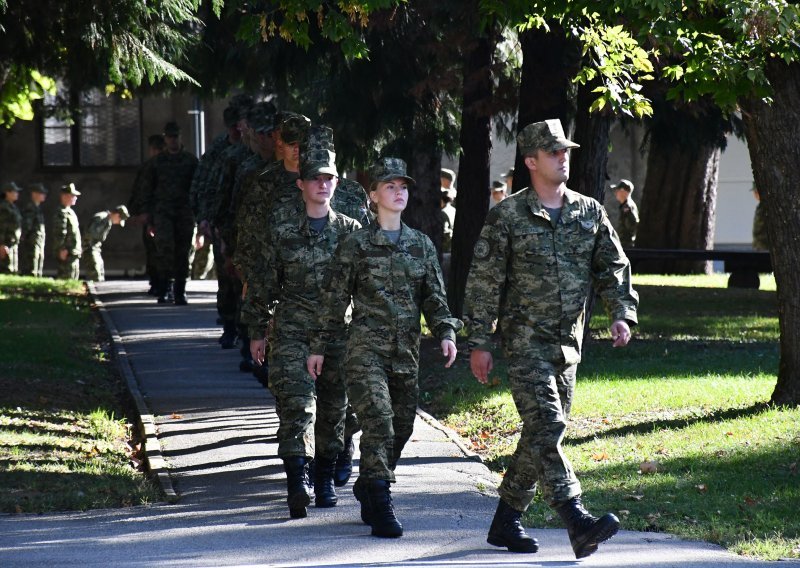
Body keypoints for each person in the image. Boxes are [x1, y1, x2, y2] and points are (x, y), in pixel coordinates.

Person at [464, 119, 639, 559]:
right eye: (553, 152)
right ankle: (576, 519)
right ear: (530, 161)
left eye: (566, 151)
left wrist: (621, 313)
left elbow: (612, 266)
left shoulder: (588, 211)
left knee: (537, 436)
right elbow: (484, 282)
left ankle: (505, 521)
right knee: (549, 424)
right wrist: (480, 342)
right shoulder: (508, 216)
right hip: (524, 342)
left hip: (569, 346)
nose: (563, 157)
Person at [308, 157, 462, 538]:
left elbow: (435, 300)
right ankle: (381, 502)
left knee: (403, 426)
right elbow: (333, 300)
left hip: (405, 353)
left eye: (403, 186)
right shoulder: (356, 244)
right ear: (373, 195)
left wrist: (445, 332)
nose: (398, 192)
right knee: (378, 420)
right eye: (390, 186)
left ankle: (367, 482)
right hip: (364, 351)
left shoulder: (420, 244)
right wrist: (319, 346)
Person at [244, 147, 361, 519]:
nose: (322, 184)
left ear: (337, 183)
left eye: (328, 178)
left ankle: (324, 478)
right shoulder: (281, 231)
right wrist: (257, 329)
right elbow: (262, 283)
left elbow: (365, 285)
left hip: (337, 332)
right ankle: (297, 480)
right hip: (292, 326)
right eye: (315, 178)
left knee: (333, 408)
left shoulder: (351, 231)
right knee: (297, 405)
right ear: (301, 184)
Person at [145, 121, 198, 304]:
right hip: (163, 214)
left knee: (183, 252)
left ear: (180, 137)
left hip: (184, 212)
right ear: (165, 138)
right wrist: (150, 219)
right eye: (169, 137)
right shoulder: (157, 162)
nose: (172, 140)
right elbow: (149, 190)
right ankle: (165, 287)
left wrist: (197, 216)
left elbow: (197, 188)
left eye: (175, 136)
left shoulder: (190, 161)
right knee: (164, 250)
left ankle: (180, 290)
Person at [129, 134, 166, 293]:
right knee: (156, 249)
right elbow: (140, 192)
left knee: (156, 249)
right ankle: (159, 282)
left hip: (157, 214)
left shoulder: (151, 167)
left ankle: (160, 283)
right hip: (155, 214)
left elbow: (139, 192)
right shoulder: (152, 167)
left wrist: (139, 212)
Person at [81, 205, 130, 281]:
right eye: (119, 220)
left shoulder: (108, 221)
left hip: (95, 249)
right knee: (95, 274)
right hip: (89, 248)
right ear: (117, 215)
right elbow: (90, 233)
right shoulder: (101, 218)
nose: (118, 223)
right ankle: (94, 291)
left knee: (100, 272)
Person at [51, 183, 82, 280]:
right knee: (66, 280)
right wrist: (61, 249)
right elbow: (60, 233)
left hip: (73, 252)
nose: (75, 198)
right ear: (64, 196)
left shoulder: (70, 212)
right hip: (67, 252)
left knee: (73, 279)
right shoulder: (61, 212)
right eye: (73, 196)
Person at [19, 182, 48, 277]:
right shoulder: (30, 208)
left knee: (38, 264)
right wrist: (26, 237)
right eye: (41, 193)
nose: (44, 195)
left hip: (38, 241)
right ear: (34, 194)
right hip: (32, 242)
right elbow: (27, 226)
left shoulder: (37, 208)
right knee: (32, 265)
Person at [0, 182, 22, 274]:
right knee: (6, 270)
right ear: (7, 193)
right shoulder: (4, 208)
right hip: (6, 244)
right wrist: (2, 244)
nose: (17, 194)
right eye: (14, 191)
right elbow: (2, 226)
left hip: (12, 243)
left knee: (13, 270)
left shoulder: (13, 207)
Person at [611, 178, 639, 248]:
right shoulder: (625, 205)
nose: (615, 193)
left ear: (623, 191)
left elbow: (634, 223)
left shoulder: (627, 206)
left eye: (617, 190)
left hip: (626, 245)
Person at [751, 186, 769, 251]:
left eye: (756, 192)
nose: (754, 195)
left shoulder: (766, 206)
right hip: (759, 245)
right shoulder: (760, 206)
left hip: (765, 246)